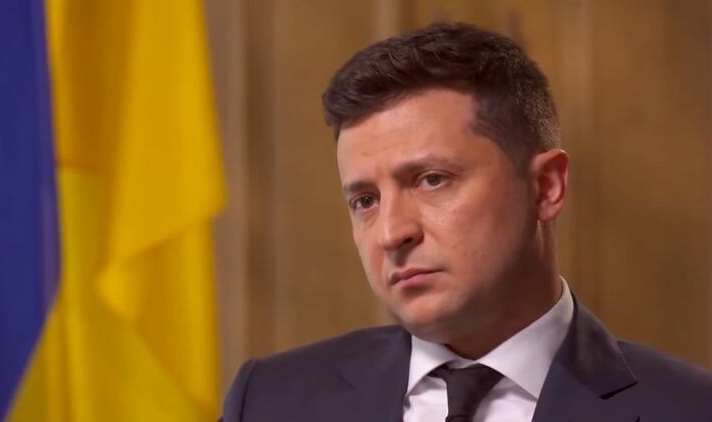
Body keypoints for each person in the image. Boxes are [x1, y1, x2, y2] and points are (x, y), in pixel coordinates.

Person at [222, 22, 712, 421]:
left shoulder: (690, 408)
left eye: (432, 180)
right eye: (365, 200)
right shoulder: (268, 401)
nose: (392, 233)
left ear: (546, 187)